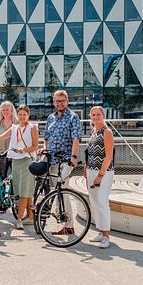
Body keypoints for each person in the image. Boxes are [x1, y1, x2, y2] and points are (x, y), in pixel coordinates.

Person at [0, 105, 39, 229]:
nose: (22, 117)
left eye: (24, 114)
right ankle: (30, 217)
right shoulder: (14, 128)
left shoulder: (32, 127)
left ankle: (19, 219)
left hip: (27, 161)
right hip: (16, 161)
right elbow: (0, 138)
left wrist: (23, 150)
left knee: (24, 191)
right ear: (17, 115)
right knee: (21, 190)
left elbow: (35, 146)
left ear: (28, 115)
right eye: (20, 114)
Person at [42, 90, 83, 235]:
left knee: (62, 189)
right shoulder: (51, 118)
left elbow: (76, 139)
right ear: (54, 102)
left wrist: (73, 156)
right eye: (57, 101)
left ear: (67, 101)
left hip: (66, 159)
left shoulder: (73, 117)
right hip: (52, 160)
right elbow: (46, 137)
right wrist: (44, 149)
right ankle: (65, 224)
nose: (59, 103)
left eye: (62, 101)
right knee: (58, 191)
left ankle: (68, 224)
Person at [84, 106, 114, 249]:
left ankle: (106, 236)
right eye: (93, 115)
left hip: (104, 173)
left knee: (102, 203)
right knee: (95, 203)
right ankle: (101, 232)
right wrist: (86, 169)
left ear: (103, 116)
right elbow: (89, 153)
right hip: (91, 171)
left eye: (98, 114)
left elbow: (108, 156)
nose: (95, 117)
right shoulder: (94, 131)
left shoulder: (106, 132)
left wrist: (100, 176)